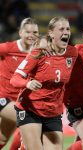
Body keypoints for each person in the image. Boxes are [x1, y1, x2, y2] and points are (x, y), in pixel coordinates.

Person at [10, 16, 78, 150]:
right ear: (51, 33)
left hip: (53, 112)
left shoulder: (72, 53)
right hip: (30, 108)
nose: (66, 32)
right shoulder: (39, 52)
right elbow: (15, 78)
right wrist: (27, 84)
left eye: (68, 29)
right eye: (61, 29)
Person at [0, 17, 39, 149]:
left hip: (19, 102)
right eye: (28, 32)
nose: (31, 35)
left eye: (35, 32)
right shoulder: (7, 48)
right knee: (28, 125)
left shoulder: (39, 53)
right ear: (20, 33)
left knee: (2, 139)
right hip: (3, 98)